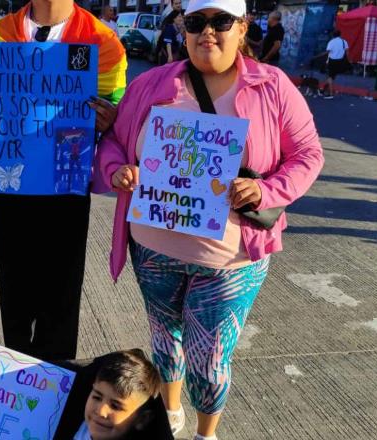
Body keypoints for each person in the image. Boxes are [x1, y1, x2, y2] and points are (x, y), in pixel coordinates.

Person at [93, 0, 324, 436]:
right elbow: (116, 143)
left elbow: (308, 155)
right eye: (197, 22)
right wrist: (117, 170)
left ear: (242, 27)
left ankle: (207, 431)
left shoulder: (272, 86)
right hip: (154, 249)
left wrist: (266, 189)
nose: (208, 32)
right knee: (165, 341)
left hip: (229, 259)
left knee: (211, 359)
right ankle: (172, 413)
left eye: (221, 21)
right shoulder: (154, 83)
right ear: (184, 30)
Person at [0, 0, 127, 360]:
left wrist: (110, 121)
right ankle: (15, 374)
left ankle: (55, 383)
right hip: (7, 184)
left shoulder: (102, 41)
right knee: (13, 289)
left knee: (61, 294)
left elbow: (119, 122)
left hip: (66, 186)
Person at [74, 350, 162, 440]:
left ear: (142, 420)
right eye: (97, 397)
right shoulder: (77, 420)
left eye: (115, 406)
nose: (101, 411)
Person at [322, 29, 349, 99]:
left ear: (333, 35)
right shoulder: (344, 41)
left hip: (332, 61)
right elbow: (347, 52)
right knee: (333, 76)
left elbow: (327, 51)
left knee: (330, 77)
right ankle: (323, 88)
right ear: (340, 34)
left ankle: (330, 94)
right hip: (340, 61)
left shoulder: (331, 42)